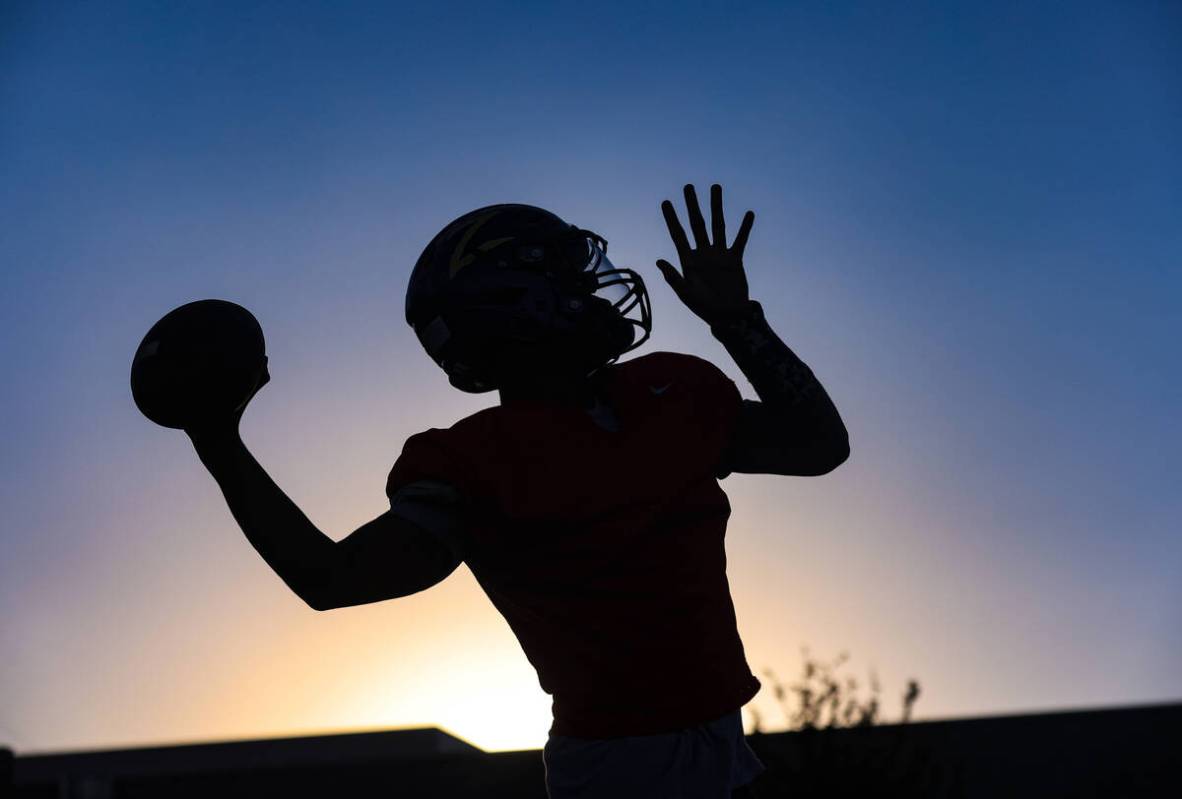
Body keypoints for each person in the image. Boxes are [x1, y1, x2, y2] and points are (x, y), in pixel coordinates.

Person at [186, 183, 850, 798]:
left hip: (733, 751)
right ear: (511, 303)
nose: (595, 290)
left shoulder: (671, 389)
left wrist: (739, 321)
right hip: (623, 770)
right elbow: (331, 577)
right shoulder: (471, 460)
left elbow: (821, 447)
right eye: (567, 278)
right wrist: (218, 441)